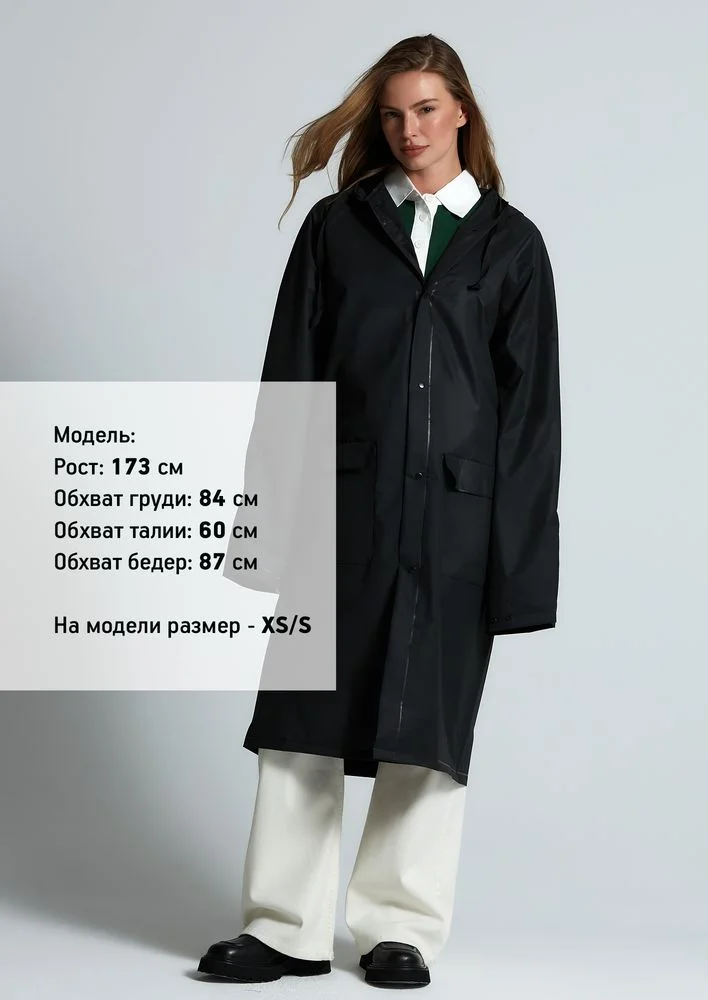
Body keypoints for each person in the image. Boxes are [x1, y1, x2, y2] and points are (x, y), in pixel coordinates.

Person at [197, 32, 562, 989]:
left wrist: (521, 563)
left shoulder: (511, 245)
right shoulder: (338, 229)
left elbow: (531, 418)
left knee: (429, 735)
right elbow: (291, 376)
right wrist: (265, 529)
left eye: (427, 110)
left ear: (462, 112)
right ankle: (282, 927)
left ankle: (399, 928)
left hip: (456, 524)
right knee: (299, 726)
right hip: (340, 511)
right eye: (395, 115)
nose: (410, 130)